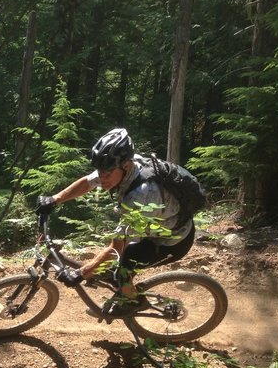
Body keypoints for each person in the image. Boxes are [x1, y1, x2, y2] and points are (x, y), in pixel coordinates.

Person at [35, 128, 195, 317]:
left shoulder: (141, 194)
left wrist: (81, 273)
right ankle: (118, 285)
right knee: (109, 266)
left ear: (126, 165)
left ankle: (133, 302)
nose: (102, 178)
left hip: (171, 242)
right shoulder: (116, 167)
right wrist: (55, 199)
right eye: (100, 171)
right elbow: (88, 182)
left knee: (122, 271)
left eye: (107, 173)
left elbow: (117, 246)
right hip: (155, 227)